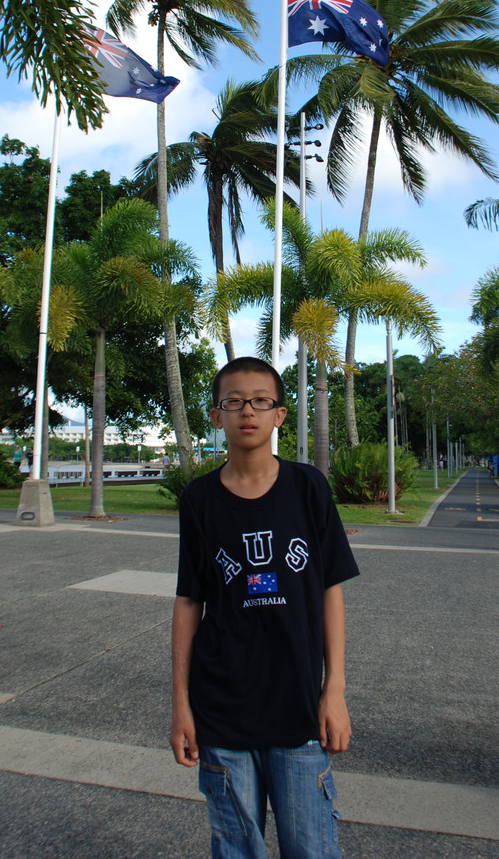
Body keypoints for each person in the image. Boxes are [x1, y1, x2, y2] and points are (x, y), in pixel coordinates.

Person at [170, 356, 359, 859]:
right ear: (216, 416)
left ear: (279, 414)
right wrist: (181, 704)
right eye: (233, 402)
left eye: (259, 401)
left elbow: (330, 589)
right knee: (237, 849)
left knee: (312, 847)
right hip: (222, 711)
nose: (246, 412)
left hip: (298, 711)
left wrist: (333, 689)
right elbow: (189, 600)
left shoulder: (307, 488)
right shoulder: (199, 500)